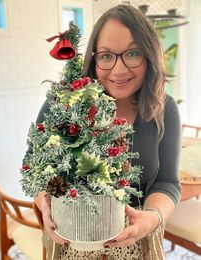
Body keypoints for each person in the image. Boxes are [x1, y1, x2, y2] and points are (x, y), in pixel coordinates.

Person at [34, 4, 181, 260]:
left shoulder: (164, 108)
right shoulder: (64, 103)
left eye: (133, 53)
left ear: (148, 55)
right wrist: (46, 205)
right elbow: (35, 169)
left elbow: (167, 182)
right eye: (106, 55)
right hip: (72, 241)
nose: (119, 69)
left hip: (138, 244)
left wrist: (151, 219)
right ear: (94, 59)